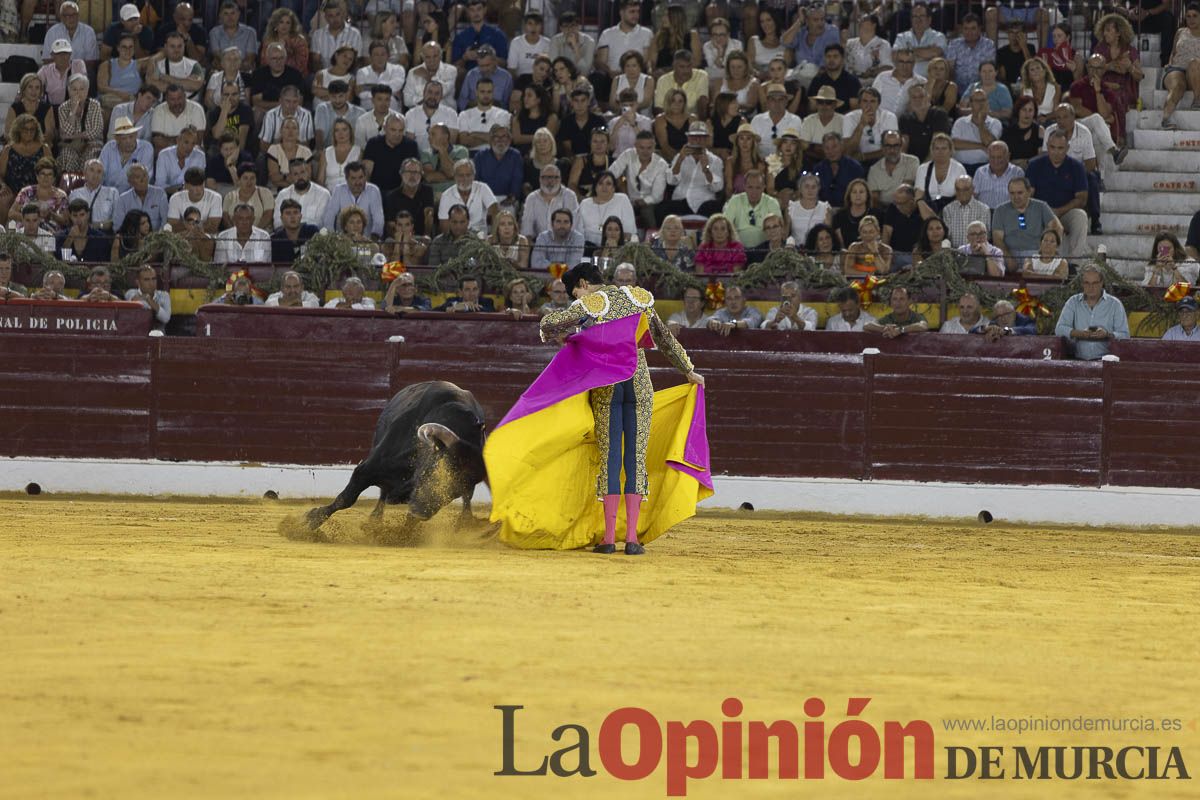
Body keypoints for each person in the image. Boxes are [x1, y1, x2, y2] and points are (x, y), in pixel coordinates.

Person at [486, 259, 706, 554]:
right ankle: (631, 540)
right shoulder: (638, 296)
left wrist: (566, 332)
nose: (577, 298)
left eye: (575, 292)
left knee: (610, 457)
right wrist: (688, 370)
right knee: (636, 457)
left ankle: (607, 540)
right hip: (639, 382)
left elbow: (548, 324)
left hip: (607, 385)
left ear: (583, 285)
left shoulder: (590, 303)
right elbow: (664, 338)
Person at [1054, 265, 1129, 360]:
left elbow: (1125, 335)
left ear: (1102, 283)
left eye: (1095, 283)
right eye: (1087, 283)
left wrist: (1107, 335)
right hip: (1077, 360)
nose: (1091, 287)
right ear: (1082, 284)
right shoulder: (1073, 302)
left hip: (1107, 362)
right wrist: (1081, 334)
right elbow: (1059, 329)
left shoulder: (1115, 304)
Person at [992, 177, 1062, 273]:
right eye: (1012, 193)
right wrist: (1008, 258)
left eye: (1020, 193)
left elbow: (1056, 227)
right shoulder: (1000, 210)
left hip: (1035, 253)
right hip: (1010, 253)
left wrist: (1047, 251)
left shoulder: (1041, 206)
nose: (1016, 197)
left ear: (1029, 192)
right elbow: (997, 239)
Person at [1160, 3, 1200, 131]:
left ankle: (1197, 100)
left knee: (1194, 63)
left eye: (1195, 16)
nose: (1191, 19)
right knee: (1177, 86)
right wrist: (1170, 63)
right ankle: (1166, 118)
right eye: (1188, 16)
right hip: (1177, 68)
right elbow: (1173, 51)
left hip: (1196, 70)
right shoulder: (1180, 32)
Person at [723, 169, 780, 248]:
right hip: (739, 249)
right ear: (744, 187)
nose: (754, 192)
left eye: (758, 187)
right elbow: (725, 226)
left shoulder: (772, 202)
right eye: (750, 187)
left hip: (764, 250)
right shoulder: (734, 201)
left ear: (764, 187)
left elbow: (779, 230)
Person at [942, 175, 992, 249]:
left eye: (965, 189)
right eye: (958, 189)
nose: (961, 193)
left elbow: (984, 237)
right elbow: (947, 236)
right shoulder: (948, 209)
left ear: (972, 189)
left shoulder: (983, 209)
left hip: (976, 253)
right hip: (954, 254)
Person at [68, 159, 119, 231]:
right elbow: (73, 219)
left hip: (104, 235)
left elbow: (116, 220)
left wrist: (99, 225)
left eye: (99, 172)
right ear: (85, 173)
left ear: (103, 176)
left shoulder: (112, 192)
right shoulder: (75, 194)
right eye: (92, 170)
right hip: (81, 234)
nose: (95, 175)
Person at [56, 198, 110, 263]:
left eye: (82, 215)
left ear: (88, 215)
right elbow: (62, 261)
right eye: (75, 215)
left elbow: (104, 264)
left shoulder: (100, 238)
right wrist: (70, 239)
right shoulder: (61, 236)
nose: (78, 220)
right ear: (70, 216)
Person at [864, 285, 929, 337]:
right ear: (891, 303)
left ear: (909, 301)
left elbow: (923, 326)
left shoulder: (916, 317)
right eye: (894, 299)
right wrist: (884, 328)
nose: (898, 303)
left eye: (902, 299)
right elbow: (866, 326)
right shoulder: (888, 318)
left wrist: (901, 330)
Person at [271, 198, 319, 263]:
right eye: (288, 213)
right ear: (281, 218)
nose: (292, 216)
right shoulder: (275, 239)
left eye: (295, 212)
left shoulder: (312, 232)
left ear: (301, 216)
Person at [124, 264, 171, 328]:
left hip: (158, 335)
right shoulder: (131, 292)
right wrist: (152, 305)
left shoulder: (164, 295)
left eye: (153, 279)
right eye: (146, 280)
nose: (151, 283)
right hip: (136, 331)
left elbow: (165, 318)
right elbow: (134, 300)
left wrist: (149, 300)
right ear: (138, 282)